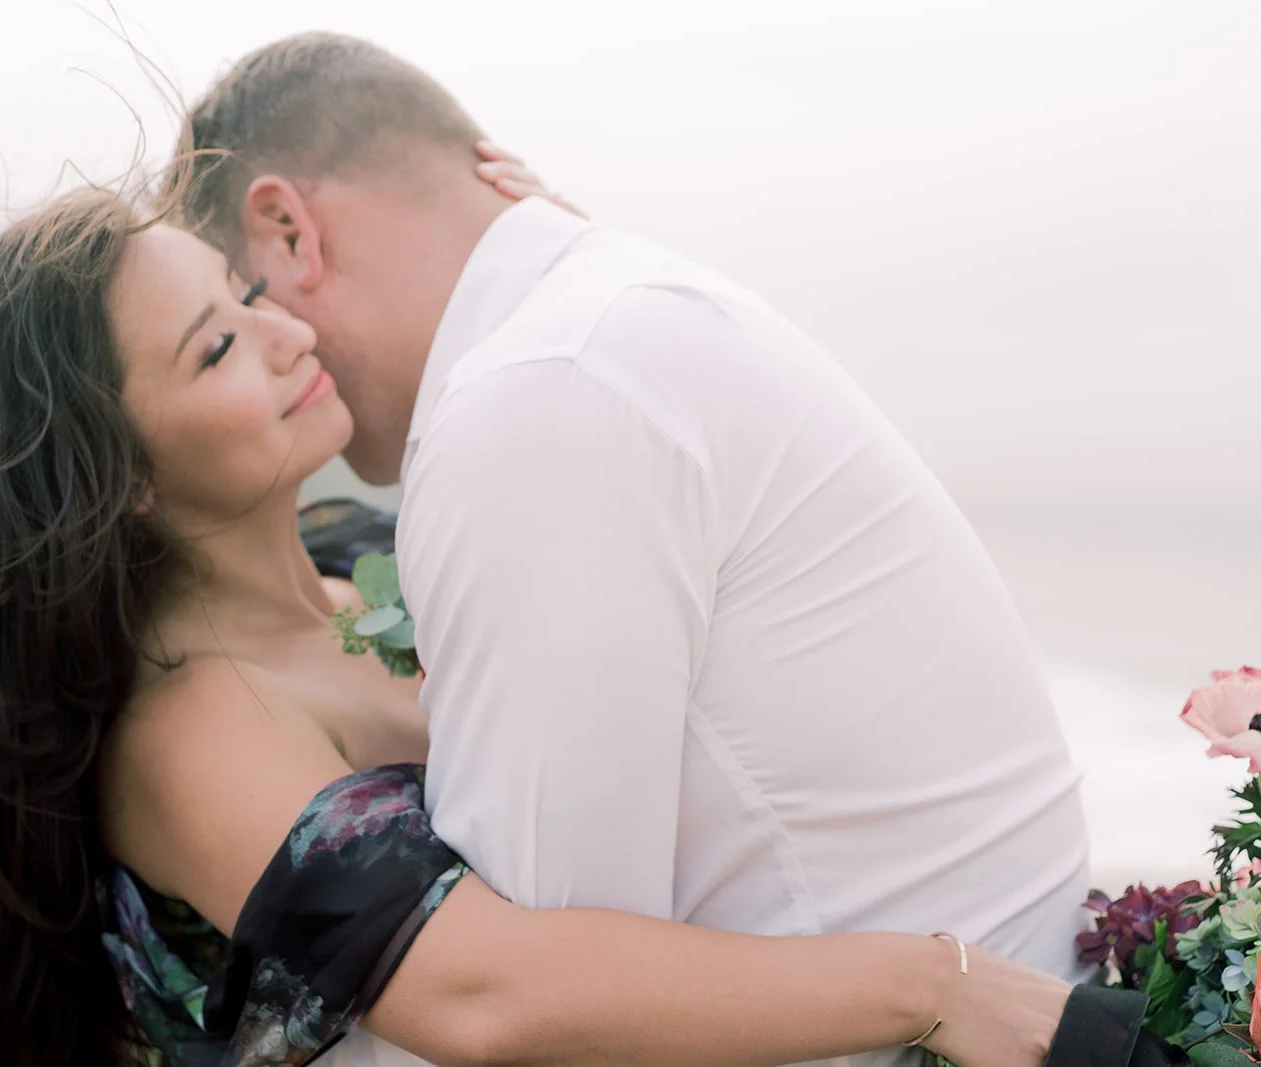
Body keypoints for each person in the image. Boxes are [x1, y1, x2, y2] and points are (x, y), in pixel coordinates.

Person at [167, 34, 1094, 1067]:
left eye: (243, 304)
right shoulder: (600, 323)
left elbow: (546, 1021)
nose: (280, 346)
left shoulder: (540, 394)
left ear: (289, 229)